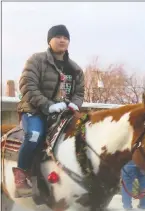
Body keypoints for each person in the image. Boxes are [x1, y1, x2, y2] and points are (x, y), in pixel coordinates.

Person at [13, 24, 85, 198]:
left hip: (63, 112)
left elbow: (79, 92)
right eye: (58, 37)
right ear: (50, 40)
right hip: (34, 109)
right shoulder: (36, 60)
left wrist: (74, 105)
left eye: (65, 38)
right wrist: (48, 105)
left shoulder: (74, 68)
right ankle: (21, 176)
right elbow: (27, 86)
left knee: (81, 136)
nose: (62, 40)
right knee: (34, 136)